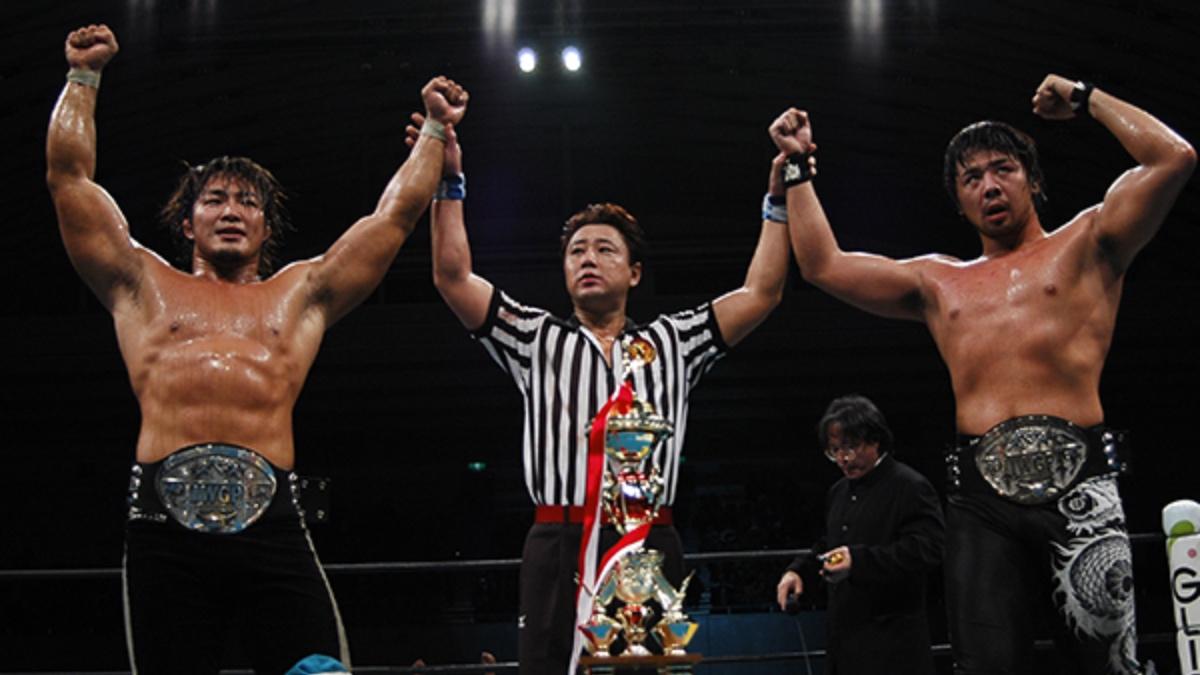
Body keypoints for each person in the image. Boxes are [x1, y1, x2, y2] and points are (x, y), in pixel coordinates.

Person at [46, 24, 467, 674]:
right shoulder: (141, 283)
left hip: (271, 523)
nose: (232, 210)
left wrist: (436, 129)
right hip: (163, 530)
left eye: (248, 201)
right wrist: (83, 76)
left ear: (267, 225)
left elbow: (392, 217)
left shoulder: (299, 294)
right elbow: (69, 178)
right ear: (188, 223)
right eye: (214, 199)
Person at [768, 76, 1195, 674]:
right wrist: (797, 167)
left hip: (1081, 486)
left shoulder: (1091, 242)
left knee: (1108, 666)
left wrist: (1085, 97)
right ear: (959, 200)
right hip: (981, 503)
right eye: (971, 178)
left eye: (1003, 168)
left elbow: (1173, 156)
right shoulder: (939, 282)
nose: (989, 185)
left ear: (1033, 178)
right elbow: (822, 265)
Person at [406, 113, 794, 673]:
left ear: (635, 273)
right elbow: (452, 277)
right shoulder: (533, 336)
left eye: (604, 250)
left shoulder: (674, 340)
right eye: (577, 251)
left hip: (647, 536)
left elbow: (762, 292)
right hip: (557, 537)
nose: (588, 258)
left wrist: (777, 200)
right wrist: (448, 182)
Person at [775, 394, 944, 675]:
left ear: (875, 440)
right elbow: (829, 544)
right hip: (845, 641)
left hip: (894, 645)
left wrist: (859, 561)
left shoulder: (910, 486)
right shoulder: (839, 492)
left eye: (850, 448)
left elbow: (929, 549)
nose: (842, 458)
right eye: (834, 451)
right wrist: (798, 572)